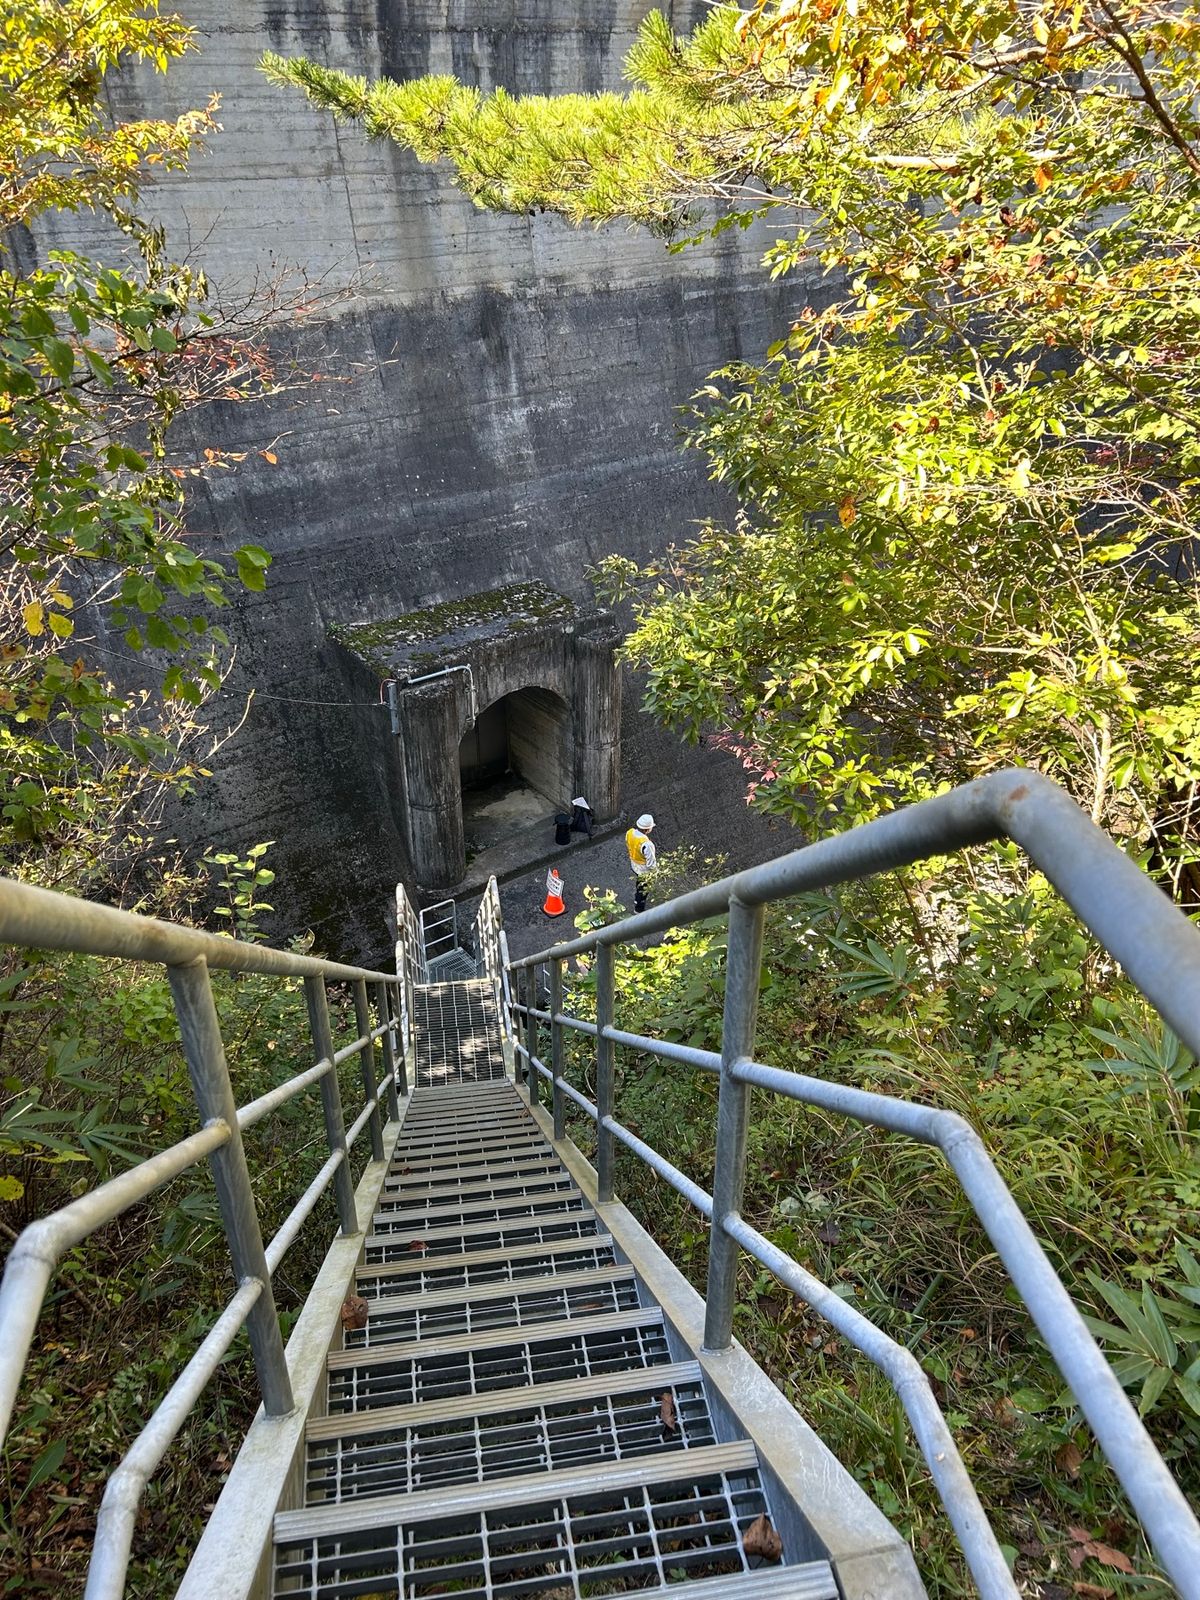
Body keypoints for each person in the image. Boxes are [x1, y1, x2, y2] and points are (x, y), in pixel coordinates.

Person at [625, 812, 656, 912]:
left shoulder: (629, 833)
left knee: (639, 882)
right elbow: (651, 863)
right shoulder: (647, 844)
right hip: (644, 870)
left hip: (634, 864)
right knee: (643, 890)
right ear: (648, 829)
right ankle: (638, 909)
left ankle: (637, 896)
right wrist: (655, 872)